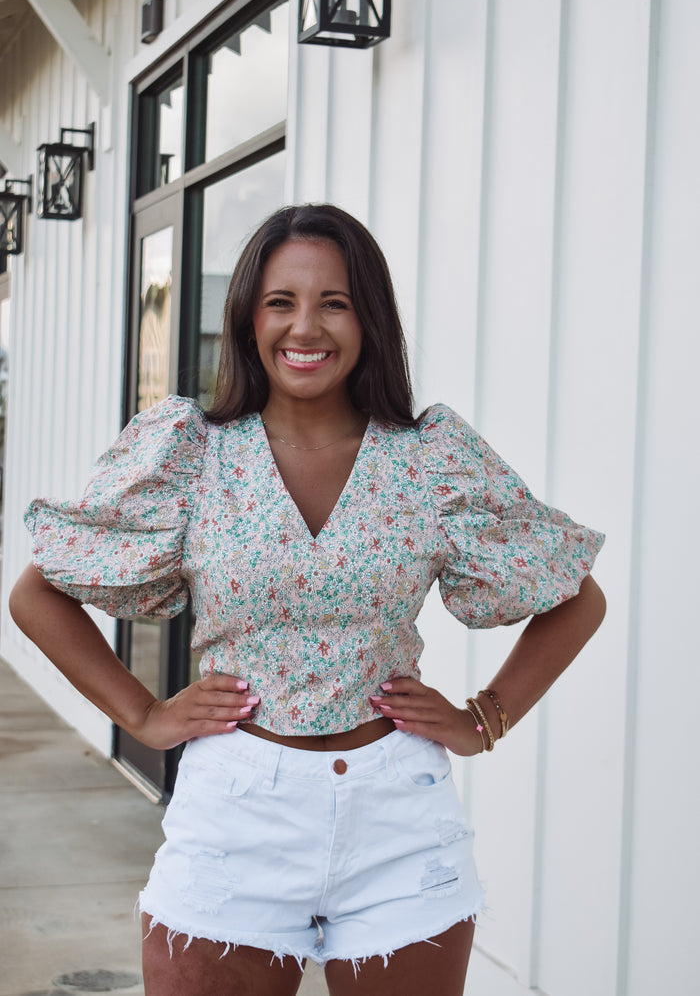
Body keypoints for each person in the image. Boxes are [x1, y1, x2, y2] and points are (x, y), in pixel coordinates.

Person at [10, 204, 605, 996]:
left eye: (335, 302)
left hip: (398, 810)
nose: (306, 327)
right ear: (249, 317)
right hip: (235, 810)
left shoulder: (430, 459)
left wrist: (482, 719)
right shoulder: (192, 453)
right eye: (281, 301)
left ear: (369, 319)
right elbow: (38, 592)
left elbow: (576, 597)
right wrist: (144, 717)